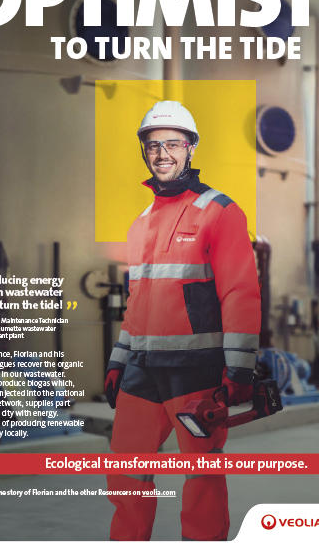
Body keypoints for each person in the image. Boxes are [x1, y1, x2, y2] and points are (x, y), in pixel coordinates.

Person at [104, 100, 261, 541]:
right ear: (144, 152)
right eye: (153, 145)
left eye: (172, 143)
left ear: (191, 148)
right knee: (126, 474)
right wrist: (119, 359)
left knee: (202, 477)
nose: (162, 154)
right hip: (142, 372)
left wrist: (239, 369)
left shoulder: (221, 212)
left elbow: (240, 294)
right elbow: (138, 301)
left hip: (196, 371)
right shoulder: (141, 223)